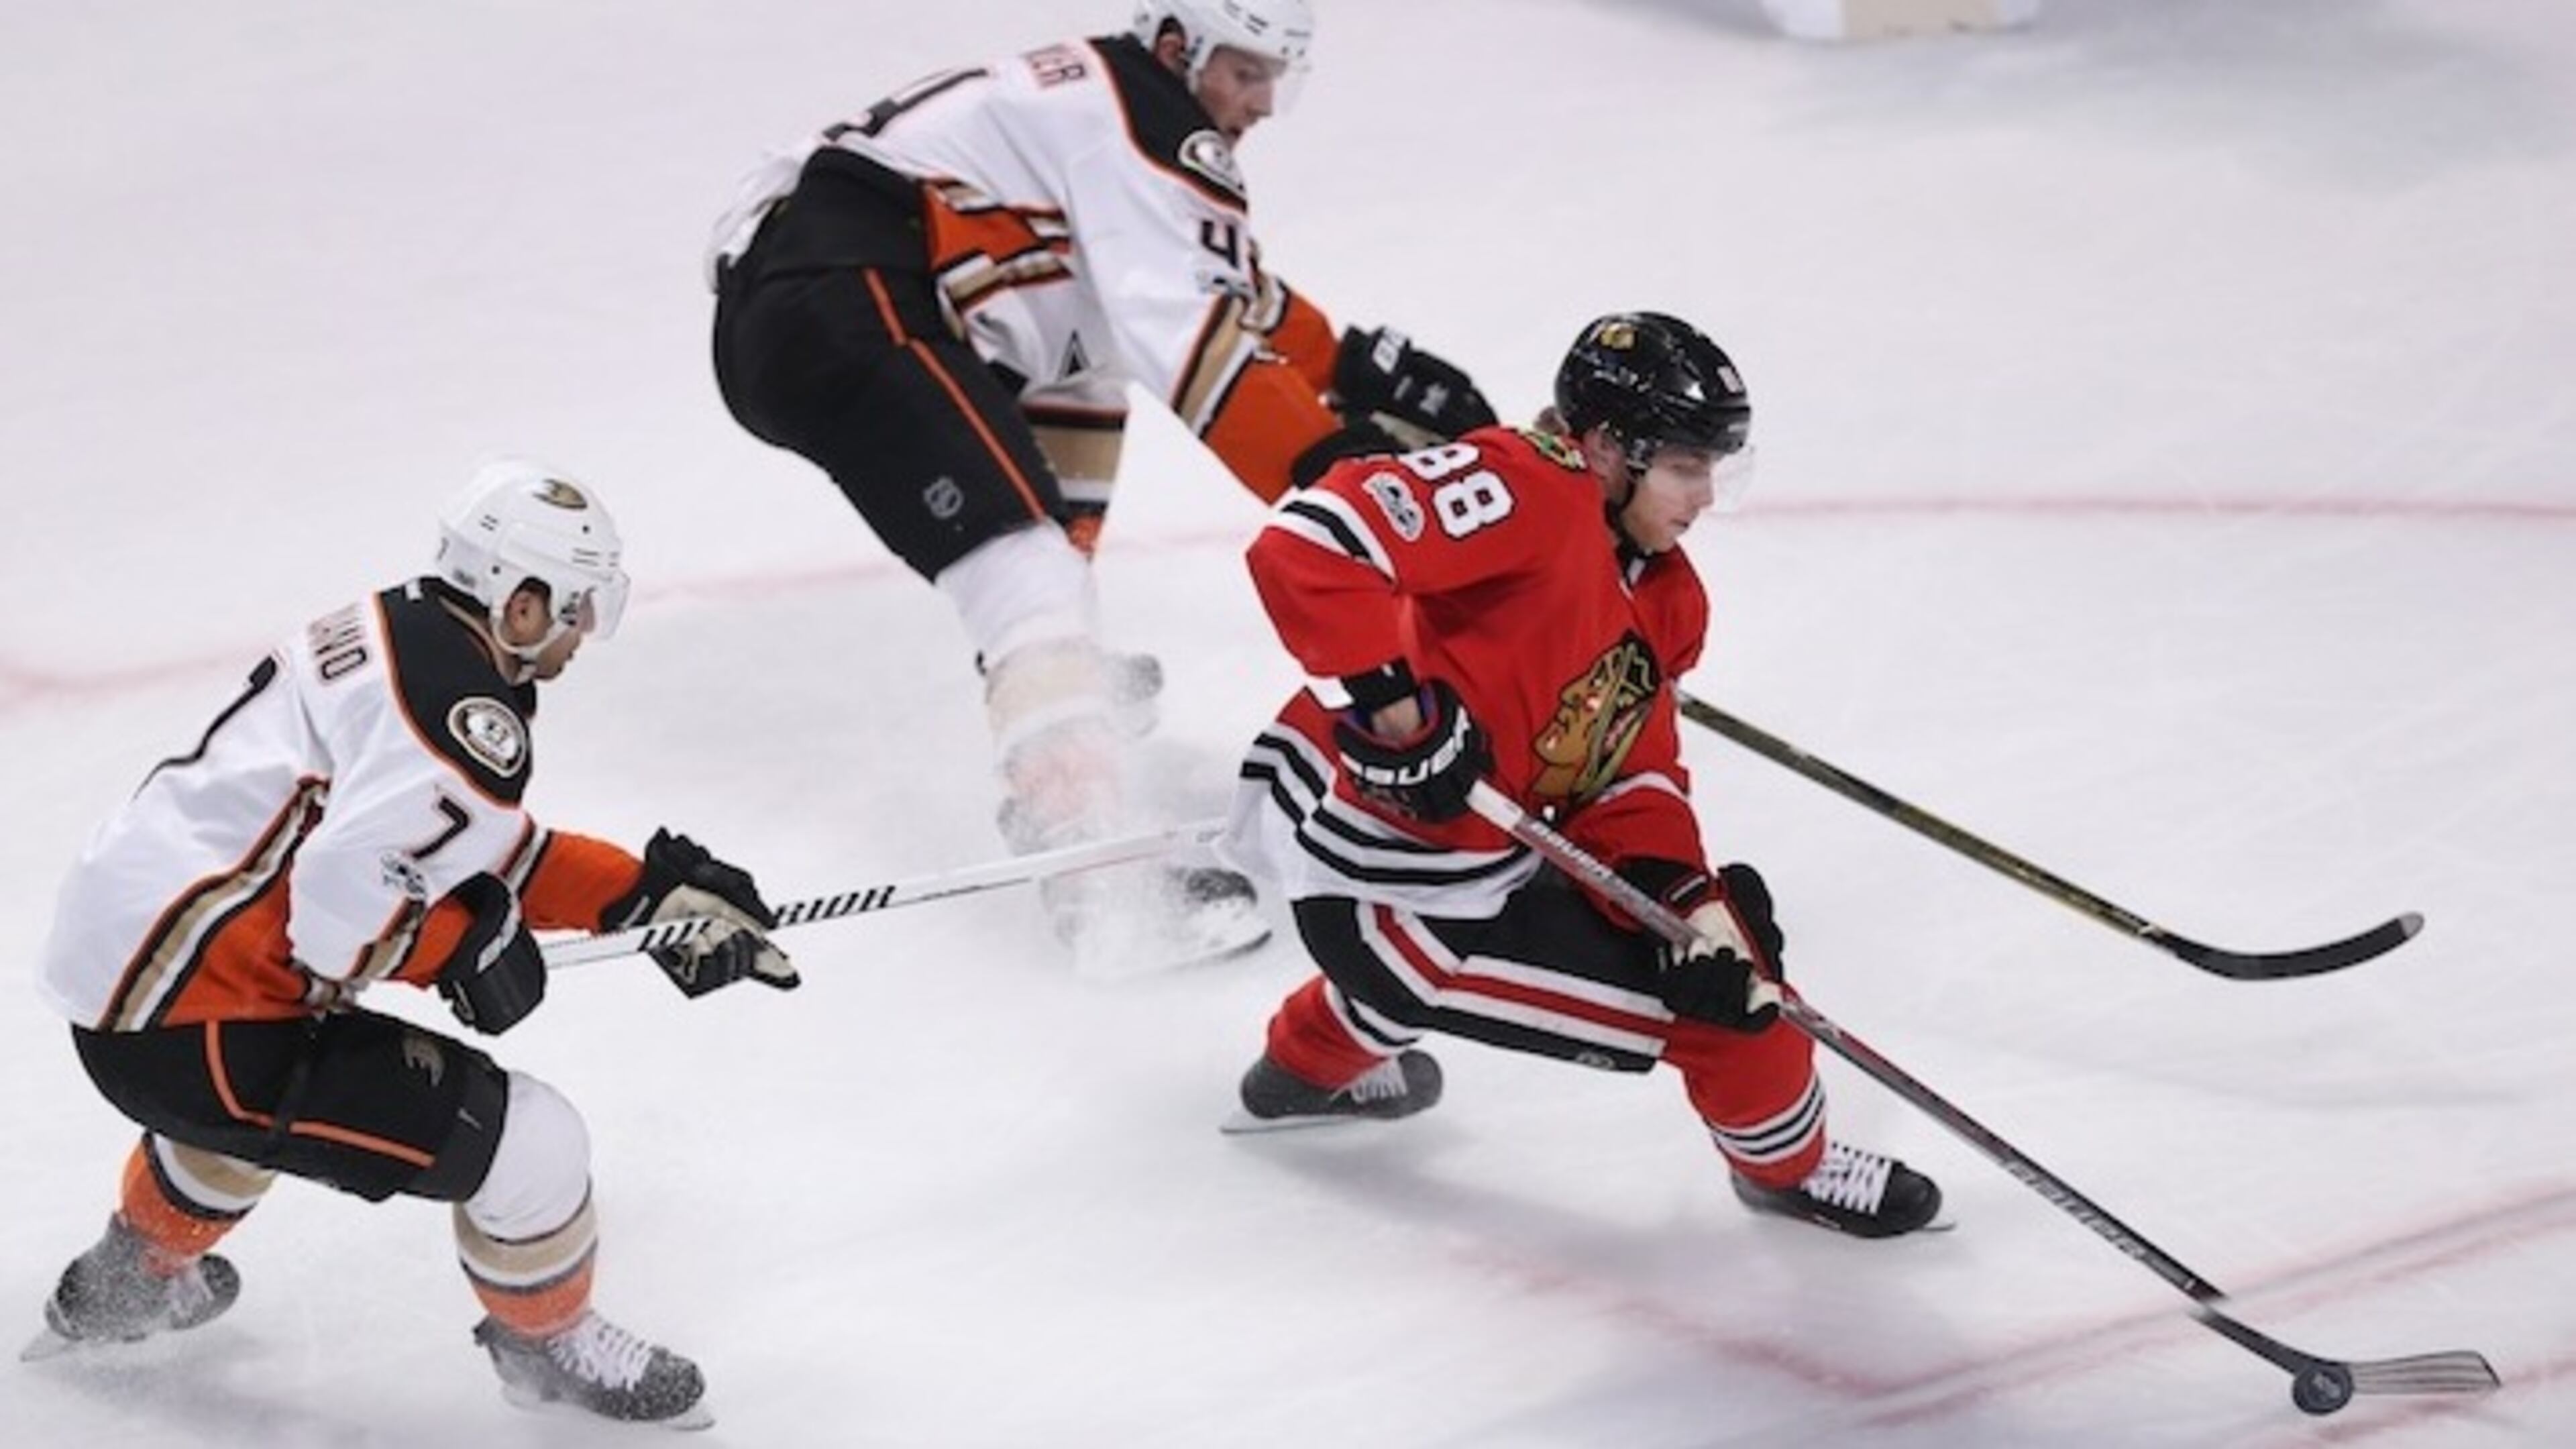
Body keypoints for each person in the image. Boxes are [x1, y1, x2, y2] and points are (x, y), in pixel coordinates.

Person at [704, 0, 1495, 973]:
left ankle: (1058, 676)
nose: (1262, 103)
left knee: (1081, 389)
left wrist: (1350, 365)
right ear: (1177, 48)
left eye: (1275, 77)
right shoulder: (1152, 121)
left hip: (815, 291)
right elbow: (1194, 338)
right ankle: (1096, 876)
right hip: (845, 291)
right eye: (1245, 71)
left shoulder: (1102, 109)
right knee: (1021, 565)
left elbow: (1206, 291)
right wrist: (1344, 485)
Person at [25, 462, 800, 1428]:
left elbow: (456, 847)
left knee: (247, 1123)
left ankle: (126, 1283)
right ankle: (548, 1346)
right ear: (520, 604)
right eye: (578, 608)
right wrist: (462, 951)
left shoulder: (395, 627)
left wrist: (637, 896)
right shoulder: (464, 719)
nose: (584, 635)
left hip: (124, 982)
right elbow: (338, 924)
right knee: (535, 1146)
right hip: (200, 1029)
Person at [1216, 313, 1942, 1239]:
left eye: (1716, 468)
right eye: (1684, 466)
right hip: (1394, 893)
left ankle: (1299, 1072)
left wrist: (1685, 899)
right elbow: (1312, 541)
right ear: (1605, 448)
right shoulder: (1529, 487)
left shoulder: (1669, 599)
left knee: (1723, 962)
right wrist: (1400, 716)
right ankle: (1789, 1169)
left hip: (1466, 867)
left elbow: (1626, 775)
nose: (1704, 496)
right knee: (1739, 1022)